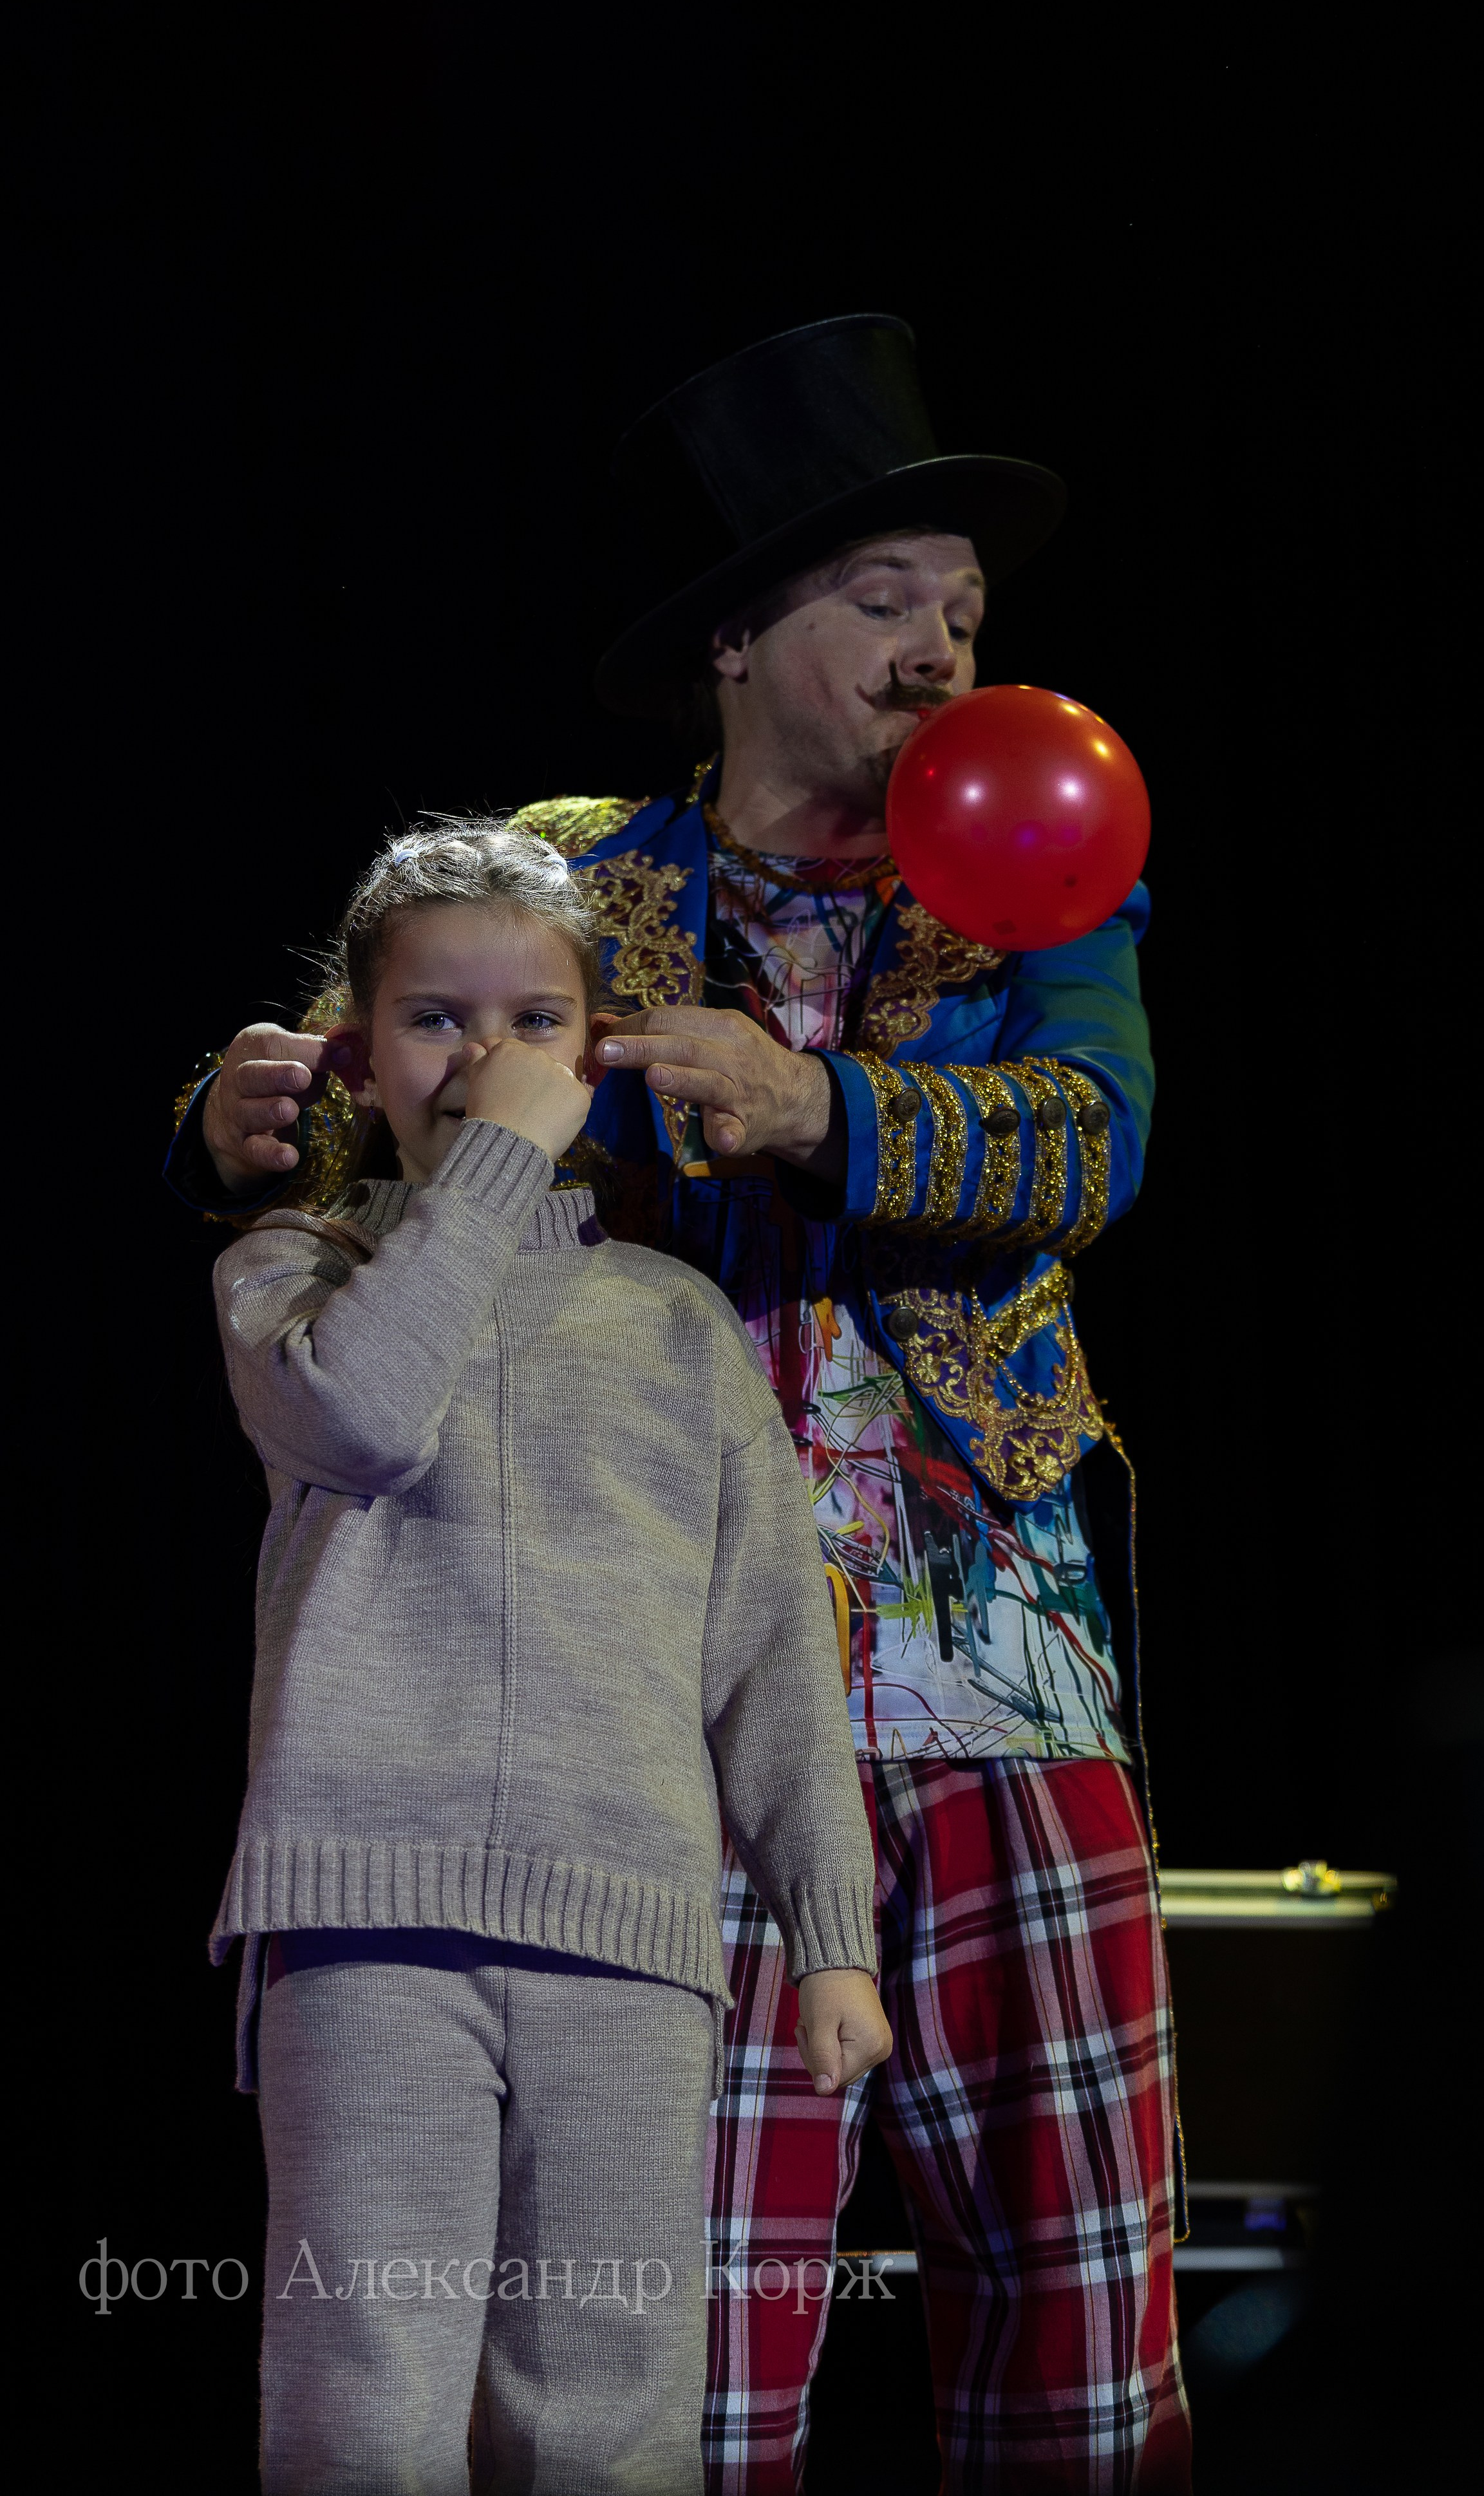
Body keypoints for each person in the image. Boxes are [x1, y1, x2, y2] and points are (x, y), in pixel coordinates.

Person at [170, 317, 1192, 2490]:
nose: (944, 652)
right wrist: (233, 1109)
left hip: (978, 1647)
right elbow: (369, 1062)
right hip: (644, 1683)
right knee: (679, 2356)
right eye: (887, 601)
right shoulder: (580, 874)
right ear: (742, 633)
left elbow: (1086, 1143)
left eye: (966, 609)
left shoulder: (1032, 864)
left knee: (1077, 2296)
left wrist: (821, 1100)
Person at [207, 818, 889, 2495]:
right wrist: (495, 1170)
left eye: (529, 1024)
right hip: (365, 1919)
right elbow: (366, 1419)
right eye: (439, 1020)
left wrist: (830, 1934)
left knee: (609, 2405)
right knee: (365, 2399)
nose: (484, 1060)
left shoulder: (671, 1329)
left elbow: (770, 1653)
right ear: (361, 1056)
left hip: (627, 1938)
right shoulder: (293, 1273)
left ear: (590, 1054)